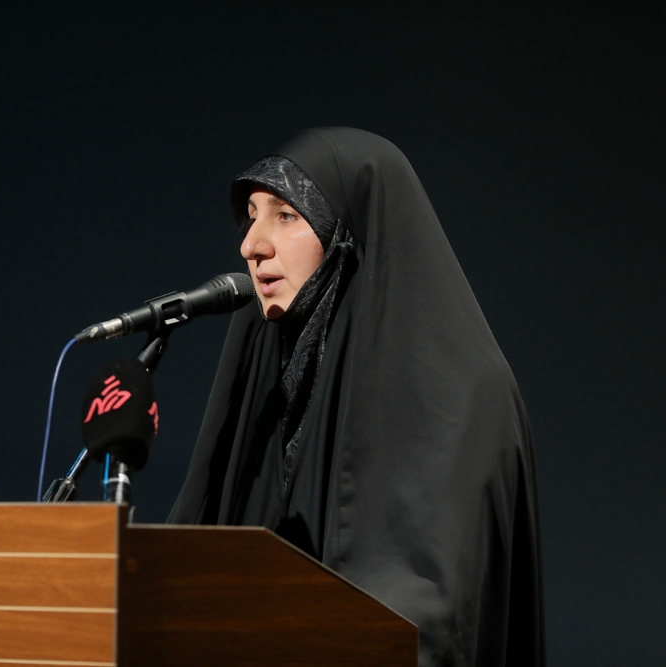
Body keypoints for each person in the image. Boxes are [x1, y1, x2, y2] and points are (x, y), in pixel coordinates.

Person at [169, 128, 544, 667]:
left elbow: (433, 622)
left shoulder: (465, 394)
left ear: (349, 233)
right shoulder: (268, 375)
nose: (251, 245)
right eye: (251, 216)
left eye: (285, 215)